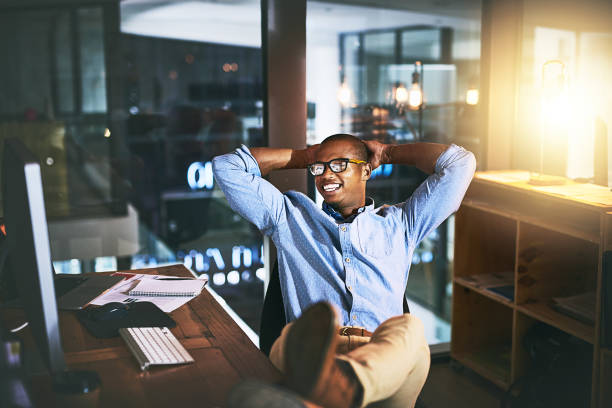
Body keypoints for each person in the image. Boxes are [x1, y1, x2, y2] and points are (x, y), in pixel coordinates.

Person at [213, 134, 476, 408]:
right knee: (288, 339)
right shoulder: (289, 218)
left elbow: (460, 164)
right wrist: (304, 157)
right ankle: (334, 388)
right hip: (319, 351)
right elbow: (227, 167)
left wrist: (387, 153)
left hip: (384, 357)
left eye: (339, 165)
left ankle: (338, 389)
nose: (326, 174)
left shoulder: (401, 225)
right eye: (320, 167)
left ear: (365, 170)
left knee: (410, 330)